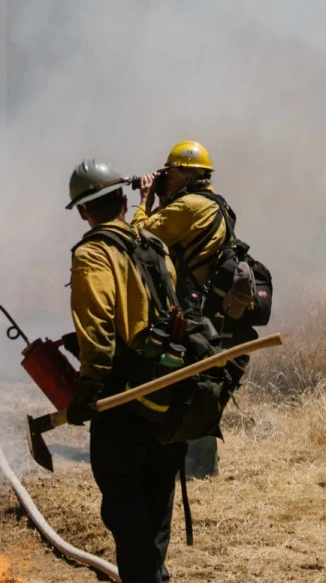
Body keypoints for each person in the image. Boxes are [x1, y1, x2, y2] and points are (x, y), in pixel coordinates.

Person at [64, 158, 185, 582]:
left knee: (124, 507)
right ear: (121, 199)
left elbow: (99, 333)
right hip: (168, 394)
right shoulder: (154, 245)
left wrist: (85, 393)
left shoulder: (94, 253)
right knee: (155, 503)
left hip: (124, 401)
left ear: (82, 210)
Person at [131, 140, 246, 479]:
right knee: (202, 380)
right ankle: (200, 462)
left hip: (192, 309)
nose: (165, 178)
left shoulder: (188, 208)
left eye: (169, 173)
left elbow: (140, 235)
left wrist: (144, 201)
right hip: (207, 308)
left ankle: (186, 460)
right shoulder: (213, 203)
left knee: (186, 382)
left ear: (185, 173)